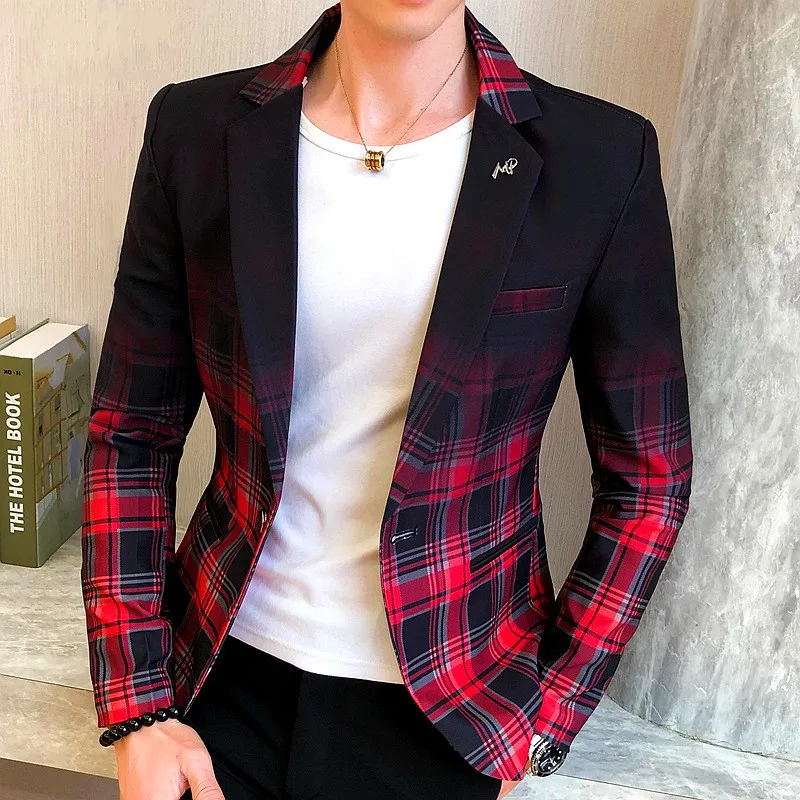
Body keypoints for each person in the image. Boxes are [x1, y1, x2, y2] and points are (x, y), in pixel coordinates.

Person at [80, 1, 693, 799]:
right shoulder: (195, 132)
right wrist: (137, 706)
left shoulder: (599, 160)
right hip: (218, 684)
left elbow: (650, 475)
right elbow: (132, 433)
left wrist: (553, 714)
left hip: (453, 708)